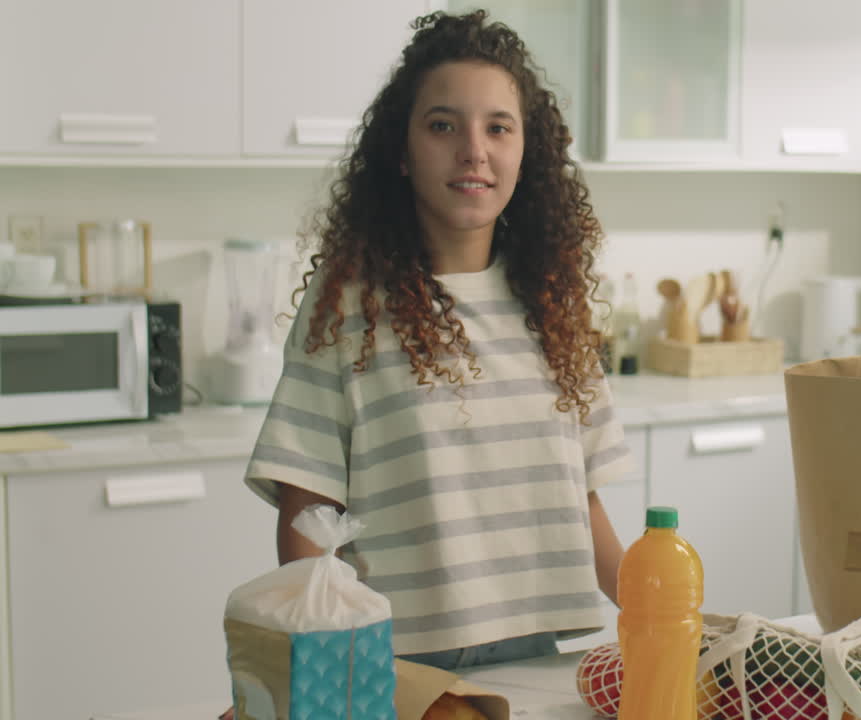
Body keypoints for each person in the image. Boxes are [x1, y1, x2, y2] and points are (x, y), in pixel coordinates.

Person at [242, 8, 632, 673]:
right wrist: (318, 666)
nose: (473, 150)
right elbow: (307, 505)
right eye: (443, 125)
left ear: (524, 151)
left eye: (498, 127)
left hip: (541, 655)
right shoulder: (345, 306)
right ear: (402, 149)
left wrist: (670, 617)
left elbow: (580, 495)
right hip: (398, 667)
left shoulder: (551, 304)